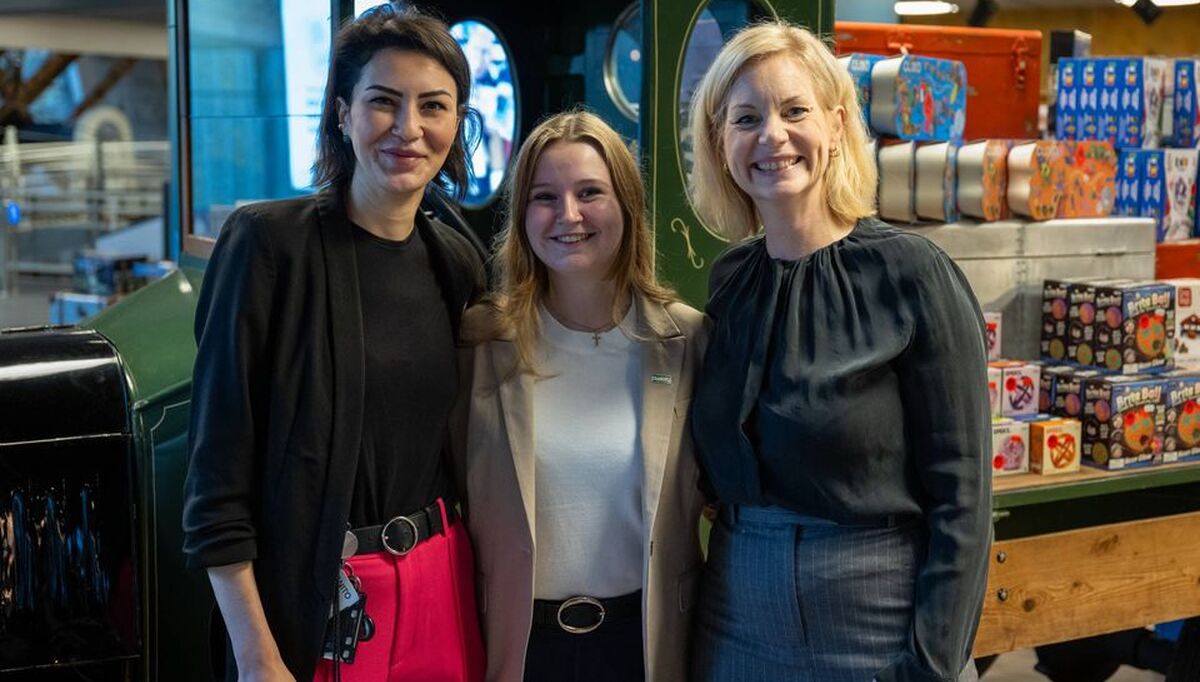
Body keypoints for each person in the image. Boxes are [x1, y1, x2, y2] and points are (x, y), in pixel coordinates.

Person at [182, 6, 485, 681]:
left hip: (443, 590)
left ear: (456, 122)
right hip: (319, 605)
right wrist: (258, 659)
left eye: (433, 105)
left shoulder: (456, 260)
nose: (408, 128)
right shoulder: (267, 247)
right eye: (383, 102)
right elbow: (214, 488)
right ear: (343, 114)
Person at [686, 22, 991, 682]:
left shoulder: (913, 273)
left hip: (873, 617)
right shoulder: (730, 282)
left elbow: (964, 499)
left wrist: (933, 663)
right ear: (721, 142)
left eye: (794, 110)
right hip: (734, 613)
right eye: (746, 118)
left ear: (835, 120)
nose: (772, 135)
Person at [449, 110, 707, 682]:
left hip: (645, 645)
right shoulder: (482, 341)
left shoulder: (687, 340)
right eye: (544, 197)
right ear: (521, 218)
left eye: (590, 192)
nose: (568, 215)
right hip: (517, 646)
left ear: (628, 206)